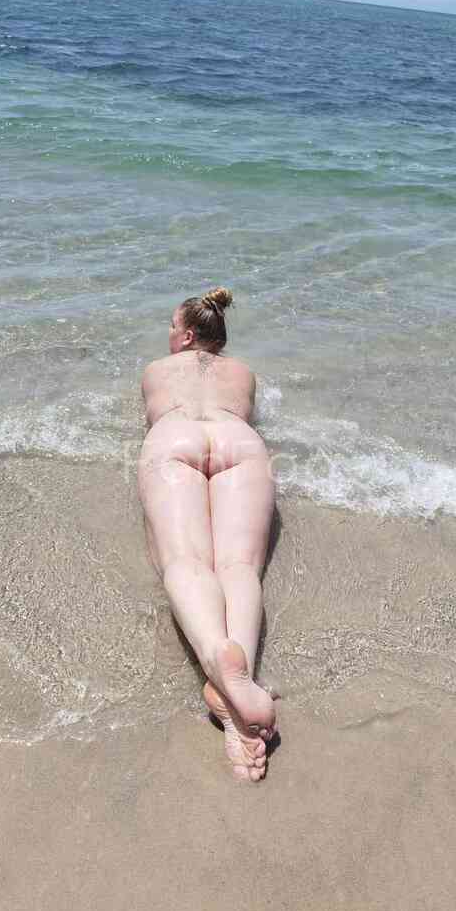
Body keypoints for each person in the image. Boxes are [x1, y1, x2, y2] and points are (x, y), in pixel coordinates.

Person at [138, 287, 276, 781]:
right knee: (238, 567)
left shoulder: (156, 369)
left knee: (185, 561)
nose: (168, 334)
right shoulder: (244, 373)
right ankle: (236, 687)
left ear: (186, 337)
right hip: (238, 440)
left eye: (172, 327)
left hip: (176, 438)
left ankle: (220, 662)